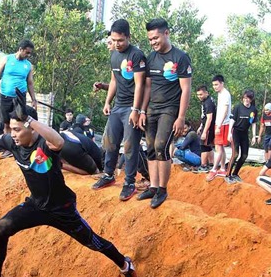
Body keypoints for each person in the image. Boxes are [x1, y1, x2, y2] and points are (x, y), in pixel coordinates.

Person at [0, 98, 137, 277]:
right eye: (11, 129)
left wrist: (30, 119)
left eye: (17, 129)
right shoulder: (12, 143)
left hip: (62, 208)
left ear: (32, 128)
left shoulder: (46, 143)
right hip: (36, 206)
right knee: (0, 227)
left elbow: (59, 141)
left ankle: (124, 263)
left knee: (92, 242)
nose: (12, 134)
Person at [138, 18, 192, 208]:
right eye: (150, 39)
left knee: (162, 146)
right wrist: (142, 111)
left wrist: (181, 117)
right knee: (151, 147)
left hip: (170, 109)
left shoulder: (180, 57)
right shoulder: (151, 57)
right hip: (152, 108)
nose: (153, 42)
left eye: (156, 38)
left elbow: (186, 89)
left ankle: (162, 189)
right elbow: (147, 86)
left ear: (166, 33)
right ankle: (152, 187)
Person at [91, 19, 147, 201]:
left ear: (128, 37)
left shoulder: (137, 55)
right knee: (110, 141)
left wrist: (136, 109)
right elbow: (114, 80)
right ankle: (108, 174)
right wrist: (108, 102)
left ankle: (130, 182)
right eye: (114, 40)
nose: (116, 44)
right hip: (118, 106)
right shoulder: (114, 55)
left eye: (120, 40)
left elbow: (141, 85)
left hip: (132, 106)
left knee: (130, 145)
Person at [227, 89, 258, 183]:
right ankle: (228, 174)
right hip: (236, 132)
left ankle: (235, 173)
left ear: (251, 99)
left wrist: (254, 135)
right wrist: (229, 133)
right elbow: (232, 120)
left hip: (245, 133)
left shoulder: (253, 109)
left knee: (244, 155)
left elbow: (253, 123)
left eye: (248, 98)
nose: (246, 100)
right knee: (235, 154)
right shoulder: (238, 107)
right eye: (245, 98)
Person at [205, 75, 231, 181]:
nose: (214, 87)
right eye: (213, 85)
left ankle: (214, 169)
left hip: (222, 123)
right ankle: (223, 168)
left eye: (216, 84)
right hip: (220, 123)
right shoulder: (221, 94)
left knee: (218, 148)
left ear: (222, 83)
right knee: (221, 147)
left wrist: (219, 125)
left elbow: (225, 111)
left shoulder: (225, 94)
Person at [195, 85, 216, 172]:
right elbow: (204, 116)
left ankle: (203, 166)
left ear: (206, 93)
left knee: (203, 146)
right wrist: (201, 126)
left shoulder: (208, 103)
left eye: (201, 94)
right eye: (198, 95)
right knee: (208, 146)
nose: (199, 96)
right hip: (205, 126)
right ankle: (211, 164)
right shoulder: (207, 101)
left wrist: (205, 131)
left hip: (209, 127)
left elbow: (209, 118)